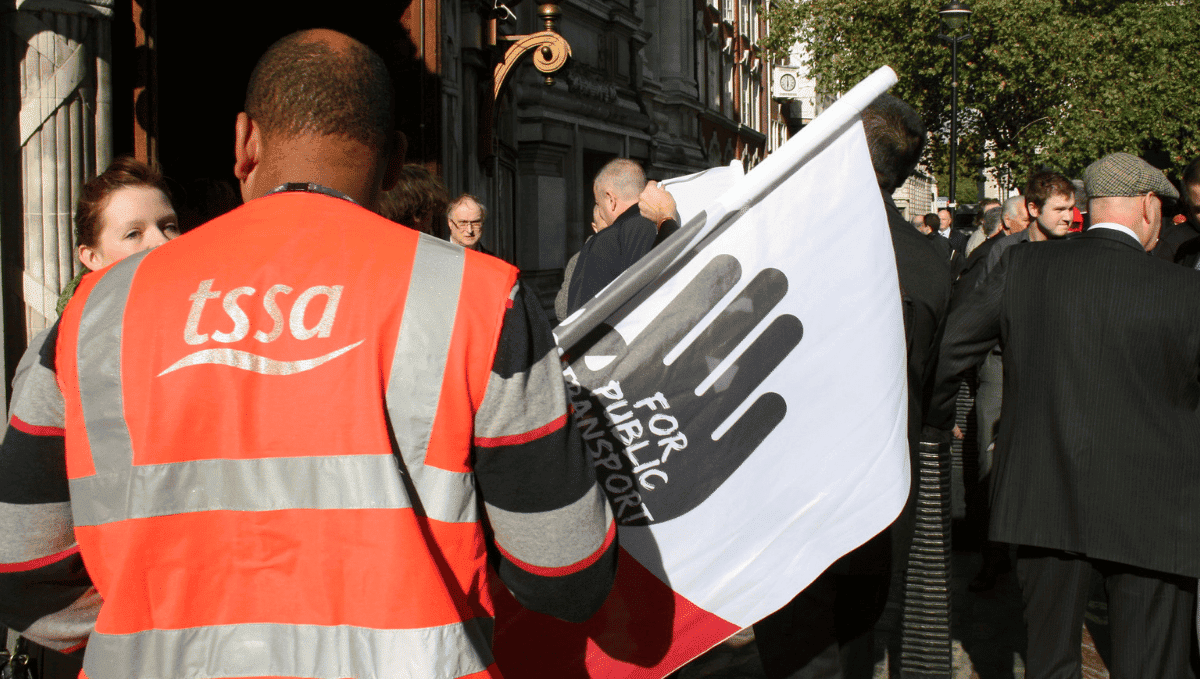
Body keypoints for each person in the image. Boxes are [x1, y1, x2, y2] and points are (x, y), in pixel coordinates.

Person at [4, 29, 617, 678]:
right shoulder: (480, 298)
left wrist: (143, 627)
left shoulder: (93, 314)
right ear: (395, 161)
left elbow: (20, 569)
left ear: (245, 142)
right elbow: (565, 571)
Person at [930, 152, 1197, 679]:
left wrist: (937, 423)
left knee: (1049, 661)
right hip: (1156, 508)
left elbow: (950, 350)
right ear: (1148, 206)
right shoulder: (1187, 290)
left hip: (1043, 495)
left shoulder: (1024, 267)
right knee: (1150, 666)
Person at [753, 93, 951, 679]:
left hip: (789, 496)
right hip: (877, 497)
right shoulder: (930, 264)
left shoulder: (784, 242)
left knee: (797, 651)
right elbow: (930, 388)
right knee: (857, 644)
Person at [0, 157, 179, 665]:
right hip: (110, 647)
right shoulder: (62, 351)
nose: (160, 243)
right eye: (133, 233)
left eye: (169, 225)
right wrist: (130, 626)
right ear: (91, 256)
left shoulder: (191, 340)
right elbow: (21, 554)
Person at [378, 163, 448, 236]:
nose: (432, 219)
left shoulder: (374, 236)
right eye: (432, 208)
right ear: (418, 215)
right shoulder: (419, 241)